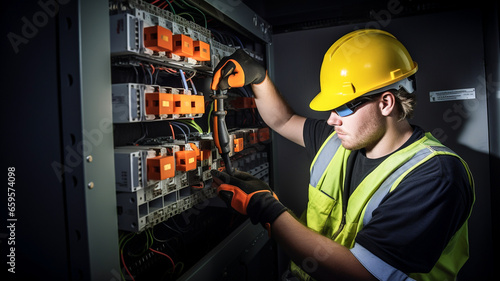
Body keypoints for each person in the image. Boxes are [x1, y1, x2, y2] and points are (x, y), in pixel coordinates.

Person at [209, 29, 475, 281]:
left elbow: (362, 274)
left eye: (342, 108)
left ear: (385, 103)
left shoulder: (435, 176)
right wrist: (260, 78)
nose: (331, 120)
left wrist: (268, 210)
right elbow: (284, 120)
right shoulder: (339, 142)